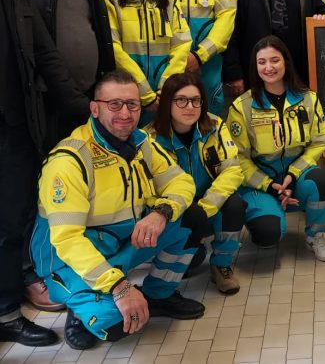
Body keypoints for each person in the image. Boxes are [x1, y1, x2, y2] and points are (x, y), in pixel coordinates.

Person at [0, 0, 115, 312]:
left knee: (71, 192)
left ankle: (64, 268)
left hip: (82, 99)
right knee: (33, 196)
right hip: (37, 105)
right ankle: (31, 277)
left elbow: (94, 29)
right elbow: (40, 51)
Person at [30, 71, 205, 350]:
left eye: (132, 104)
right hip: (71, 260)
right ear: (95, 108)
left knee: (193, 218)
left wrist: (161, 212)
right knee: (116, 324)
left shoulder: (139, 142)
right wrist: (121, 287)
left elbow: (181, 181)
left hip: (122, 243)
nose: (125, 113)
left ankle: (159, 295)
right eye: (114, 104)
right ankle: (79, 308)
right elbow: (67, 241)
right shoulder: (69, 161)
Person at [0, 0, 91, 346]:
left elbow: (45, 53)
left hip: (15, 125)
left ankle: (5, 310)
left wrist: (85, 108)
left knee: (11, 221)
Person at [226, 36, 325, 261]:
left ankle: (315, 235)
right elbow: (238, 158)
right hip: (260, 183)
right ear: (255, 67)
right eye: (262, 62)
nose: (269, 67)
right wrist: (269, 186)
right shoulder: (242, 107)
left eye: (275, 60)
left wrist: (293, 175)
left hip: (296, 176)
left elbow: (320, 142)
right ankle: (268, 214)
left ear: (286, 62)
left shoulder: (308, 99)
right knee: (268, 235)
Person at [150, 73, 246, 294]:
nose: (189, 106)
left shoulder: (215, 125)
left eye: (196, 100)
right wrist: (188, 211)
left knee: (235, 204)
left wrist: (206, 207)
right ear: (167, 103)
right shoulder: (150, 139)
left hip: (209, 205)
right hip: (177, 211)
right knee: (190, 265)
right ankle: (193, 251)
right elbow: (149, 191)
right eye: (181, 100)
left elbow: (232, 170)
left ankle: (222, 264)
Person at [101, 0, 191, 126]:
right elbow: (114, 49)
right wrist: (144, 93)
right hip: (127, 96)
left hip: (164, 97)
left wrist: (165, 89)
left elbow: (182, 44)